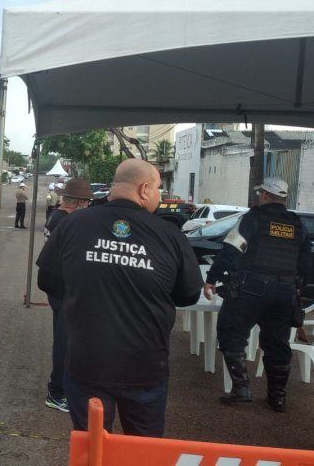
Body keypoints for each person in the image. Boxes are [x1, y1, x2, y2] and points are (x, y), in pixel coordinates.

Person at [57, 159, 202, 437]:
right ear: (145, 189)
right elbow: (188, 294)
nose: (159, 196)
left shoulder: (74, 223)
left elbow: (49, 280)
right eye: (158, 189)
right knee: (143, 451)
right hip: (145, 366)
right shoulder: (170, 235)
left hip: (88, 361)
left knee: (92, 450)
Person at [203, 177, 311, 412]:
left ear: (264, 195)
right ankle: (277, 398)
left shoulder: (252, 218)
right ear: (283, 198)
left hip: (250, 289)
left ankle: (241, 388)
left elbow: (231, 250)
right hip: (284, 292)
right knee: (277, 344)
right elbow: (306, 264)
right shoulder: (296, 224)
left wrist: (212, 278)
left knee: (231, 333)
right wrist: (296, 290)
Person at [36, 178, 93, 414]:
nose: (88, 206)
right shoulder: (68, 221)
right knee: (65, 342)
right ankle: (57, 392)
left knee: (66, 339)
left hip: (54, 284)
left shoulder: (56, 216)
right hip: (64, 287)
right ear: (80, 202)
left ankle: (62, 388)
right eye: (87, 202)